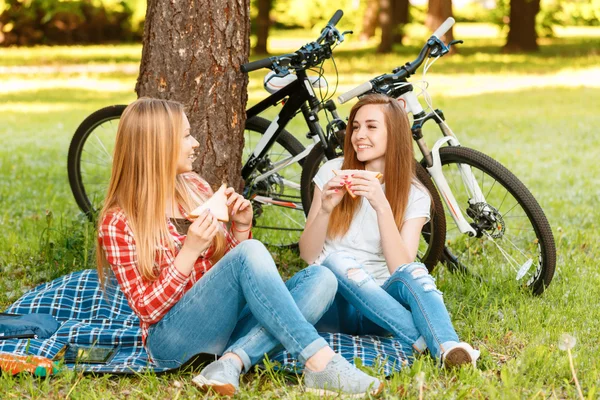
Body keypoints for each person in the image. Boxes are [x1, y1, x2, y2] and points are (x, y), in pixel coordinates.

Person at [96, 98, 384, 397]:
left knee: (322, 278)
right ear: (159, 145)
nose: (195, 143)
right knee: (251, 252)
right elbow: (148, 310)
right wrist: (189, 251)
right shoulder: (118, 221)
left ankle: (232, 361)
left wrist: (241, 227)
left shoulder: (195, 187)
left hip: (225, 327)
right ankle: (319, 361)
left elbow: (225, 271)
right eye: (185, 135)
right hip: (172, 342)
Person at [299, 94, 479, 368]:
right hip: (334, 307)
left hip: (380, 312)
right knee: (337, 261)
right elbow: (307, 255)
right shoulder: (332, 172)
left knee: (416, 271)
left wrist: (382, 206)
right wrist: (324, 209)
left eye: (371, 127)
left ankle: (447, 347)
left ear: (394, 134)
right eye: (355, 127)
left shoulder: (415, 194)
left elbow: (401, 268)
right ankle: (420, 341)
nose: (359, 135)